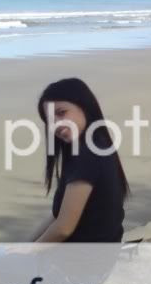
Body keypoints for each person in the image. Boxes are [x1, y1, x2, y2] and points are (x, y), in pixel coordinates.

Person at [31, 78, 129, 243]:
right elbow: (58, 215)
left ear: (84, 106)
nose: (56, 124)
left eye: (62, 112)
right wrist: (26, 245)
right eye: (50, 120)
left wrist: (27, 252)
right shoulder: (98, 143)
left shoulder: (87, 155)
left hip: (84, 257)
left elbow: (63, 229)